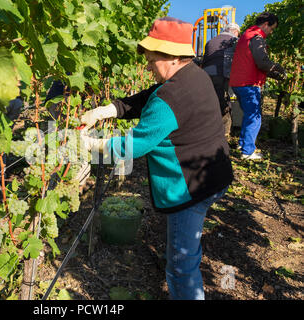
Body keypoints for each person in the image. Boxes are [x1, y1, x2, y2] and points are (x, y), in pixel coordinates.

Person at [80, 17, 234, 300]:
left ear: (174, 57)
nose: (147, 66)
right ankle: (178, 250)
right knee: (184, 244)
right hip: (213, 173)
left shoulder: (172, 97)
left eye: (152, 61)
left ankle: (180, 269)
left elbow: (135, 145)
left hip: (189, 190)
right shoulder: (193, 75)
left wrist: (92, 146)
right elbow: (149, 97)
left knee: (181, 267)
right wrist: (109, 109)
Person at [229, 12, 286, 160]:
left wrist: (274, 74)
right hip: (248, 83)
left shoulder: (246, 36)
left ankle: (243, 145)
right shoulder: (257, 38)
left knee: (249, 116)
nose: (271, 32)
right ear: (266, 24)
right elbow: (262, 62)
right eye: (272, 28)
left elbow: (254, 64)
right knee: (255, 118)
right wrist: (278, 68)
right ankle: (247, 152)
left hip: (238, 82)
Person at [201, 23, 240, 137]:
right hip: (223, 73)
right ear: (235, 32)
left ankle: (207, 129)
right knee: (226, 101)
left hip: (207, 74)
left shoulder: (211, 41)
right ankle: (224, 133)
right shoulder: (234, 40)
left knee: (211, 101)